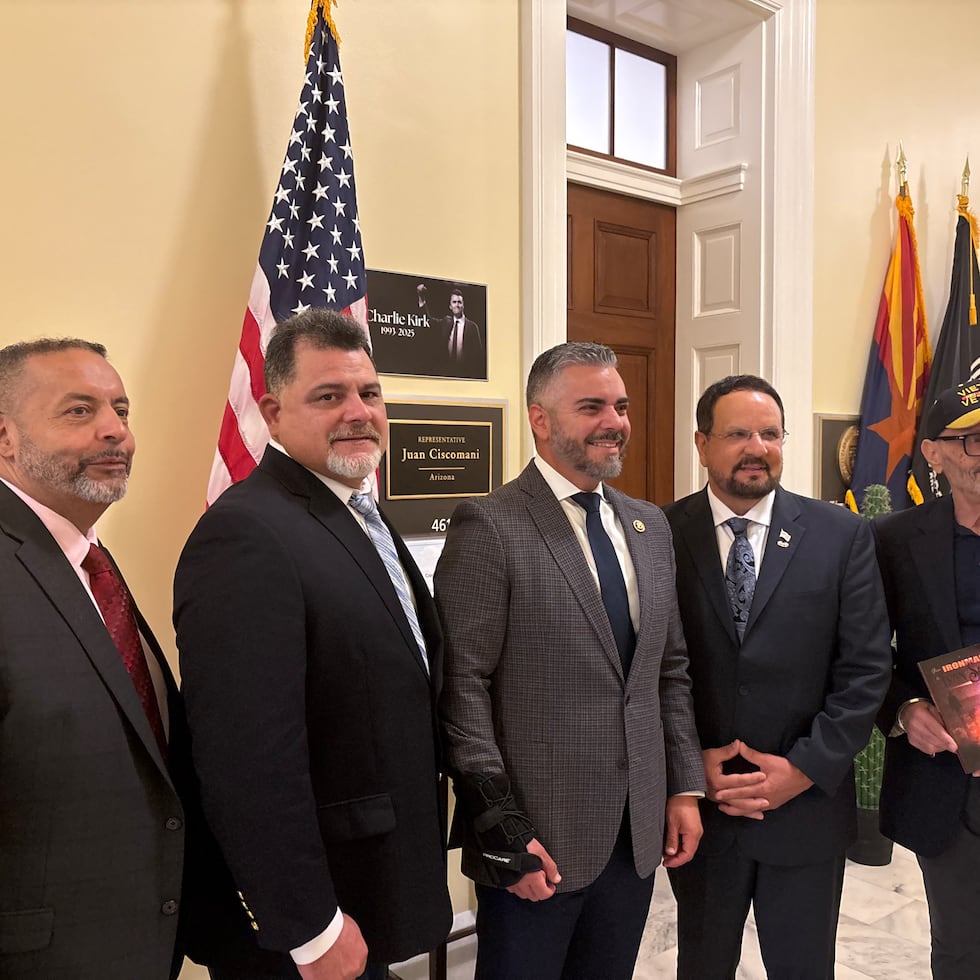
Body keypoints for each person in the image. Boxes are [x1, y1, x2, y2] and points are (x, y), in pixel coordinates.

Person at [174, 308, 452, 980]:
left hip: (372, 886)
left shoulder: (358, 507)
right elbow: (246, 761)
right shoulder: (245, 535)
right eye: (328, 396)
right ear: (271, 411)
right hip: (308, 923)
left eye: (369, 392)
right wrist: (309, 927)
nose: (357, 412)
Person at [435, 341, 704, 980]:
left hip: (635, 833)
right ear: (541, 419)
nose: (615, 422)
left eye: (621, 405)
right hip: (538, 841)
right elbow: (462, 686)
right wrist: (502, 830)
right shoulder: (490, 524)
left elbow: (668, 669)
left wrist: (683, 786)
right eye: (592, 406)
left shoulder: (649, 526)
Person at [664, 374, 892, 980]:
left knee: (803, 966)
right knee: (703, 966)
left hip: (806, 812)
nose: (756, 447)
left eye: (770, 433)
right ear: (702, 443)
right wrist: (688, 769)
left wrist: (803, 770)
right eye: (737, 433)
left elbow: (866, 670)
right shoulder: (659, 534)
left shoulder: (841, 535)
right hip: (704, 815)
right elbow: (651, 670)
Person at [0, 338, 213, 978]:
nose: (115, 431)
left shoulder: (87, 560)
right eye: (78, 411)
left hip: (142, 941)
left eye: (121, 410)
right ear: (5, 438)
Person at [873, 380, 980, 980]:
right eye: (974, 441)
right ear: (933, 452)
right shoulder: (892, 541)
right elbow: (859, 658)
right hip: (949, 783)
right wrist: (906, 708)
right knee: (963, 947)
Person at [417, 282, 485, 379]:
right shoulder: (446, 322)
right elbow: (428, 321)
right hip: (446, 373)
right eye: (454, 302)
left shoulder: (473, 327)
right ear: (450, 306)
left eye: (459, 302)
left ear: (463, 305)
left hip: (466, 375)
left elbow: (478, 356)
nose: (457, 305)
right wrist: (421, 298)